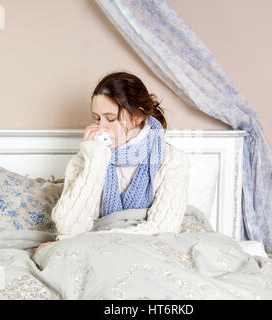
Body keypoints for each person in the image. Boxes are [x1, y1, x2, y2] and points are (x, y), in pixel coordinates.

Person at [34, 72, 189, 256]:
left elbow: (162, 230)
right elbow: (68, 227)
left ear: (138, 116)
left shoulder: (171, 160)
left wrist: (86, 241)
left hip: (145, 251)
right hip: (94, 254)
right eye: (97, 118)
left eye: (111, 118)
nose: (101, 127)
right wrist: (94, 162)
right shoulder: (88, 157)